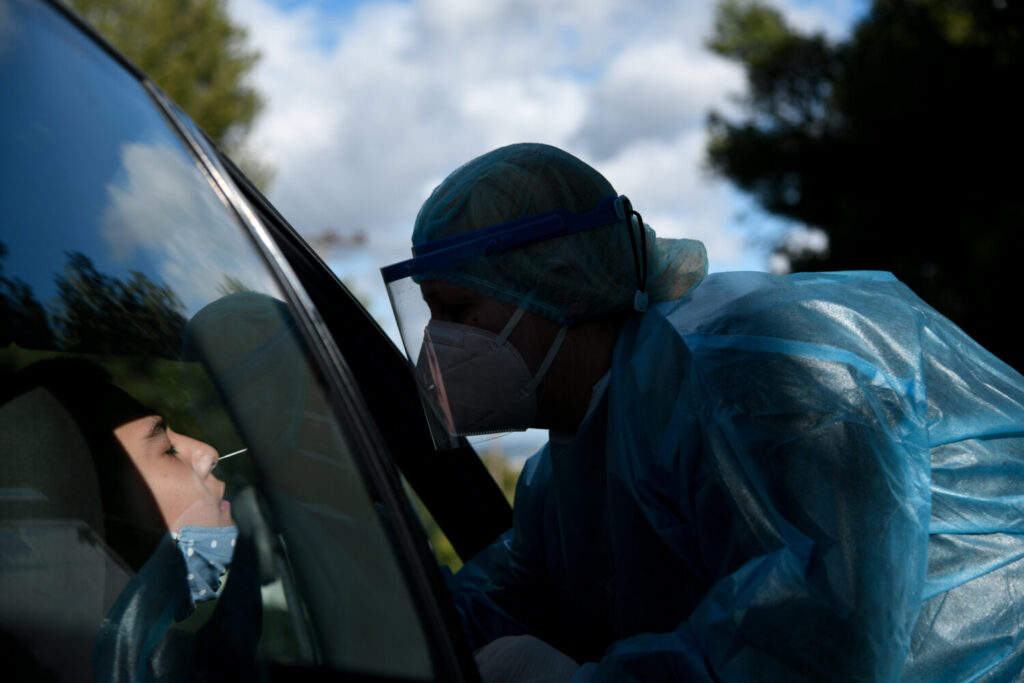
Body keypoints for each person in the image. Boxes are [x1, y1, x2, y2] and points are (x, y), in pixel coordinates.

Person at [381, 143, 1024, 681]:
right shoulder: (565, 476)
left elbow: (824, 638)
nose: (437, 345)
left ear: (557, 278)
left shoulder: (756, 373)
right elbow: (507, 599)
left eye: (458, 312)